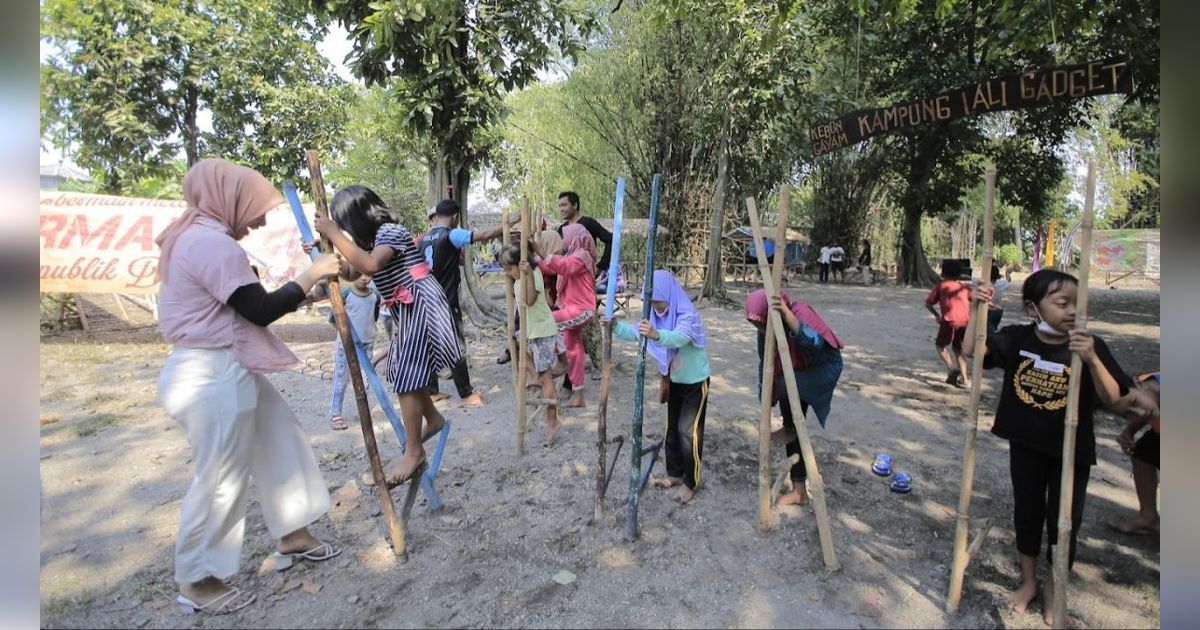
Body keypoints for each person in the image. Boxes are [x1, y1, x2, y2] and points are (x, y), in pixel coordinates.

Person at [155, 159, 342, 615]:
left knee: (279, 437)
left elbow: (243, 304)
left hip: (225, 365)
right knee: (221, 477)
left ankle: (292, 531)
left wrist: (310, 290)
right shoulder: (207, 244)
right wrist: (313, 272)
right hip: (210, 375)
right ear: (228, 200)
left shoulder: (202, 238)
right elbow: (258, 310)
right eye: (254, 209)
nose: (258, 219)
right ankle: (196, 578)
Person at [965, 269, 1132, 625]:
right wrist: (977, 310)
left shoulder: (1090, 345)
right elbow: (972, 352)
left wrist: (1091, 359)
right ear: (1033, 309)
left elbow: (1115, 399)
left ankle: (1055, 590)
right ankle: (1028, 582)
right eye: (1062, 303)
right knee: (1027, 513)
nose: (1072, 310)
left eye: (1077, 303)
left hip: (1071, 452)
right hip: (1025, 444)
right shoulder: (1017, 338)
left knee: (1065, 522)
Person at [314, 185, 457, 488]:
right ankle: (432, 419)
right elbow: (353, 271)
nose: (345, 232)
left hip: (421, 302)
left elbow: (370, 265)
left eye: (344, 226)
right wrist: (323, 249)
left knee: (408, 370)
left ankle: (414, 451)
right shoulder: (373, 242)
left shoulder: (391, 231)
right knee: (401, 369)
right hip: (407, 307)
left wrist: (333, 232)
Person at [606, 270, 710, 504]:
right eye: (652, 302)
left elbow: (679, 337)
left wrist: (656, 335)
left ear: (669, 296)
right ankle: (674, 473)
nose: (656, 307)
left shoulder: (687, 314)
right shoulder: (654, 315)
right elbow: (635, 332)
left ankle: (691, 481)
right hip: (674, 381)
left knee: (688, 431)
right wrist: (615, 326)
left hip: (695, 382)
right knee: (672, 429)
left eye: (659, 302)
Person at [744, 288, 844, 507]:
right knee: (786, 398)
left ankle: (790, 430)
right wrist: (765, 403)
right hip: (796, 370)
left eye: (762, 324)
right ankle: (800, 491)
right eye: (756, 326)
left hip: (822, 367)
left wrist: (789, 320)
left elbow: (816, 344)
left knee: (787, 390)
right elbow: (766, 363)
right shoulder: (764, 328)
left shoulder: (799, 312)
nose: (760, 330)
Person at [420, 198, 517, 406]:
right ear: (455, 217)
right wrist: (508, 224)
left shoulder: (426, 237)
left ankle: (431, 391)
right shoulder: (451, 234)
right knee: (455, 345)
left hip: (426, 300)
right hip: (445, 300)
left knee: (430, 346)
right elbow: (482, 235)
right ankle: (466, 394)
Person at [499, 244, 564, 445]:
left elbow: (529, 299)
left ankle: (553, 421)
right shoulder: (518, 279)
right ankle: (534, 374)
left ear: (520, 264)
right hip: (530, 332)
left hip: (542, 331)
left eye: (509, 269)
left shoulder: (532, 274)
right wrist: (516, 276)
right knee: (513, 345)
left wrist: (525, 274)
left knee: (546, 378)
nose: (507, 273)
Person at [534, 223, 597, 408]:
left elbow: (564, 266)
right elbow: (552, 268)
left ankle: (560, 361)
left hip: (581, 310)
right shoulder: (572, 254)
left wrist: (542, 253)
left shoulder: (582, 256)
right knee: (575, 352)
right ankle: (579, 395)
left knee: (547, 321)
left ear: (574, 237)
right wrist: (534, 260)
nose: (563, 241)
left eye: (566, 237)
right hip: (571, 309)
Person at [556, 191, 609, 371]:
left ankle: (600, 366)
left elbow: (609, 239)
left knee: (590, 324)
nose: (561, 209)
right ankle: (574, 366)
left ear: (575, 205)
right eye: (560, 206)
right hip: (567, 285)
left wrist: (601, 266)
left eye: (564, 205)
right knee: (570, 325)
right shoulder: (561, 229)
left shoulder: (588, 223)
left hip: (585, 284)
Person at [326, 271, 381, 431]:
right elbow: (333, 317)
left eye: (367, 274)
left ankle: (362, 410)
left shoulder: (374, 296)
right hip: (346, 344)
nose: (364, 278)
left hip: (367, 343)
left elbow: (373, 317)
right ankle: (335, 413)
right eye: (359, 274)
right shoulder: (345, 294)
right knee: (341, 378)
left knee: (366, 378)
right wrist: (344, 335)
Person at [1107, 372, 1160, 536]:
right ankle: (1148, 517)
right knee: (1143, 455)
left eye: (1135, 403)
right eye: (1128, 413)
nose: (1140, 413)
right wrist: (1129, 430)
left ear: (1140, 384)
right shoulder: (1149, 391)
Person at [925, 260, 973, 388]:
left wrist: (937, 316)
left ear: (943, 272)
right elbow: (974, 299)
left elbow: (928, 303)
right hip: (964, 322)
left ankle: (951, 367)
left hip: (948, 321)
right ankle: (965, 379)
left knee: (940, 345)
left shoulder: (941, 286)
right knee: (958, 349)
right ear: (959, 274)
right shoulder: (964, 287)